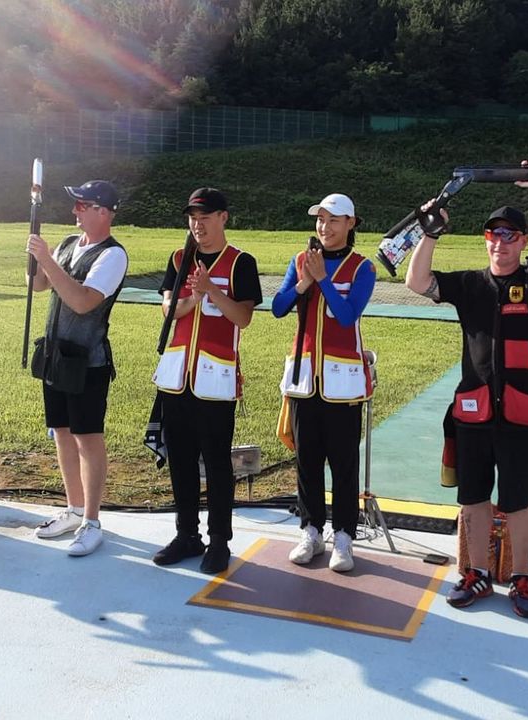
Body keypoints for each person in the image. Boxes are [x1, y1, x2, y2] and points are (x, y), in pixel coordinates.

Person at [404, 158, 528, 617]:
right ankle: (477, 572)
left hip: (522, 413)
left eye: (509, 235)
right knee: (473, 499)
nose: (499, 243)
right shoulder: (469, 284)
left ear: (523, 242)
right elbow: (417, 281)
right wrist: (430, 233)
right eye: (492, 234)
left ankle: (522, 577)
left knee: (520, 500)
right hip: (475, 412)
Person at [150, 188, 262, 573]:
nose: (197, 224)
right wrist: (192, 300)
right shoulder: (179, 258)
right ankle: (186, 534)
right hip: (177, 376)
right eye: (192, 217)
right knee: (179, 460)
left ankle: (219, 541)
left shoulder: (241, 262)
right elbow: (169, 308)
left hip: (216, 378)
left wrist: (211, 290)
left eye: (205, 216)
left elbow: (243, 318)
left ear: (223, 218)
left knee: (216, 464)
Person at [272, 193, 376, 573]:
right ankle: (311, 530)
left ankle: (344, 536)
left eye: (334, 220)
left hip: (343, 383)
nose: (324, 227)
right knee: (307, 460)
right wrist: (303, 283)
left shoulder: (362, 268)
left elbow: (347, 316)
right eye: (320, 219)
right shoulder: (300, 261)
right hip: (303, 380)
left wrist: (323, 280)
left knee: (343, 463)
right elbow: (279, 308)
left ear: (351, 224)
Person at [27, 180, 129, 557]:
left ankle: (91, 520)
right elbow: (38, 285)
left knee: (88, 439)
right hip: (56, 355)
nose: (75, 211)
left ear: (104, 211)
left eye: (83, 205)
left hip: (88, 361)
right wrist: (37, 260)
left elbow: (83, 301)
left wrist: (49, 262)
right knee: (62, 433)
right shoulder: (69, 243)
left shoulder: (113, 256)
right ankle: (72, 508)